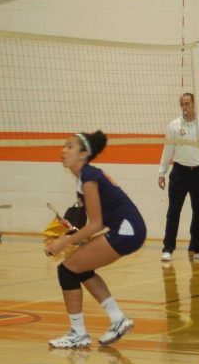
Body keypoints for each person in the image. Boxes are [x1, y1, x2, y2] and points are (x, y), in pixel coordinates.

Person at [45, 131, 145, 348]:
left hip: (126, 230)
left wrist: (63, 242)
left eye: (69, 146)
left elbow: (96, 224)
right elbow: (93, 225)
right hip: (129, 229)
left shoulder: (88, 178)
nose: (63, 150)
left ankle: (78, 333)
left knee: (67, 270)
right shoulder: (86, 177)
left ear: (83, 154)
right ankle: (117, 319)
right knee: (79, 268)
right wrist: (72, 238)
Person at [157, 93, 199, 262]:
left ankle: (198, 248)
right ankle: (168, 249)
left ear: (193, 104)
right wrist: (161, 173)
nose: (185, 107)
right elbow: (167, 150)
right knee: (173, 212)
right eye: (182, 104)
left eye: (187, 104)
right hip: (179, 173)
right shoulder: (174, 126)